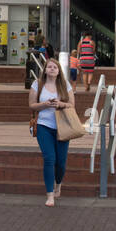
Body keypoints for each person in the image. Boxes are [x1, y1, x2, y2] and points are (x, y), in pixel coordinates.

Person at [29, 57, 75, 206]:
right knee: (49, 159)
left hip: (63, 127)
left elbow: (72, 105)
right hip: (44, 126)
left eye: (55, 67)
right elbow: (31, 105)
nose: (52, 69)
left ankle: (58, 183)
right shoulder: (37, 84)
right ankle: (50, 195)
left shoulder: (65, 85)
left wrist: (60, 104)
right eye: (49, 67)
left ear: (59, 70)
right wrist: (45, 104)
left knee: (61, 162)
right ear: (45, 69)